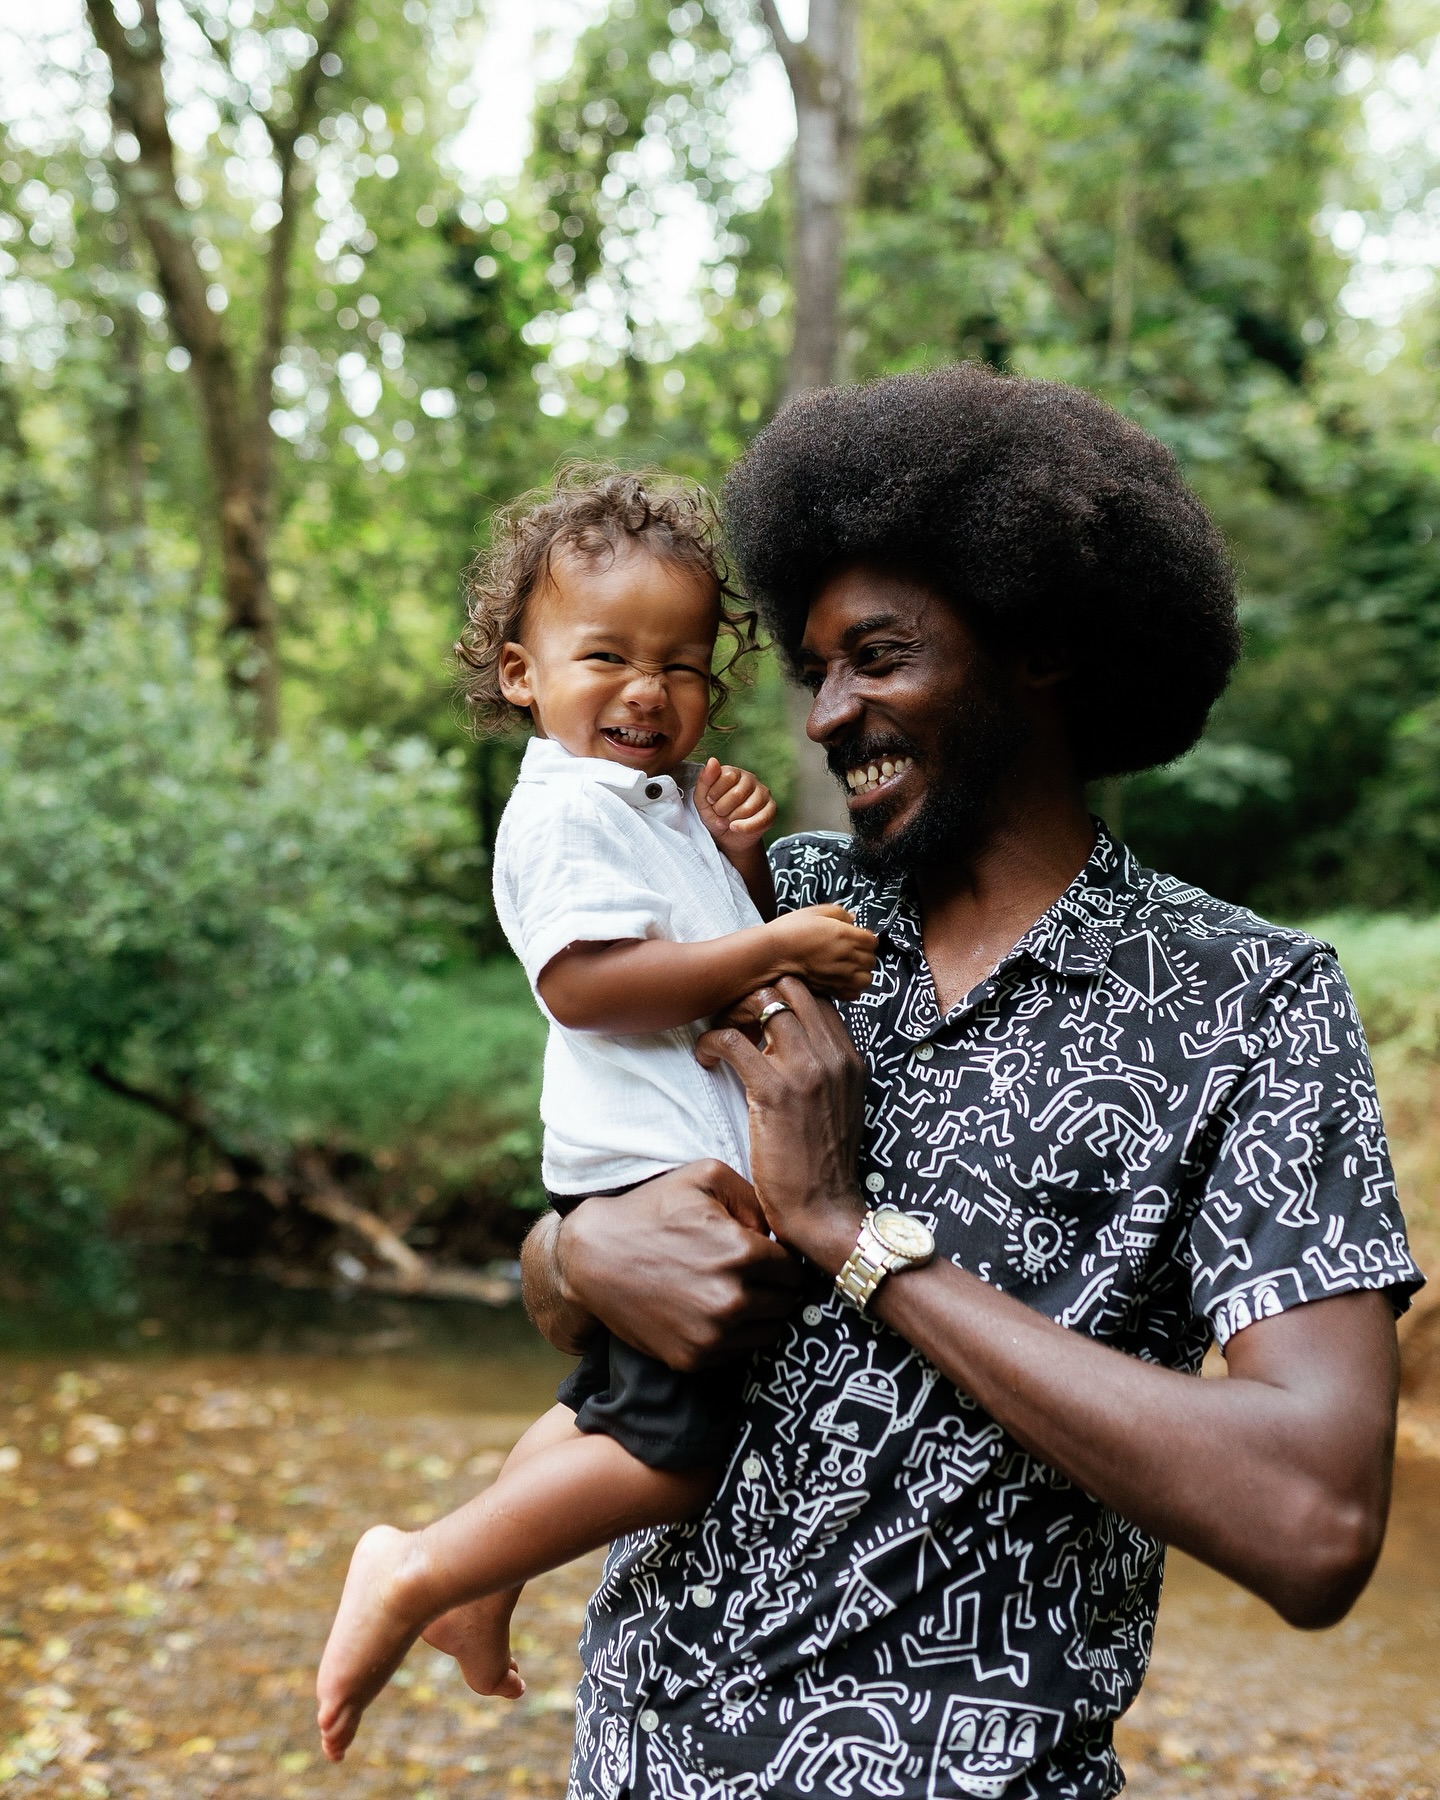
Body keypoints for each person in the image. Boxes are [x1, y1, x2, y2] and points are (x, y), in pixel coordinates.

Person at [515, 367, 1425, 1800]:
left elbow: (1314, 1517)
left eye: (878, 656)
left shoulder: (1246, 1006)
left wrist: (850, 1238)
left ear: (1042, 646)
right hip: (632, 1764)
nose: (825, 716)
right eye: (815, 670)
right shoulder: (763, 916)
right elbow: (565, 1268)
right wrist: (577, 1247)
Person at [313, 468, 877, 1762]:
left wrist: (738, 873)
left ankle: (474, 1583)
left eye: (682, 666)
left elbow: (688, 932)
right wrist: (780, 935)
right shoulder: (564, 809)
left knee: (608, 1408)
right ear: (521, 673)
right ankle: (414, 1565)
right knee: (672, 1460)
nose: (648, 691)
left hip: (664, 1176)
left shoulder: (646, 802)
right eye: (606, 656)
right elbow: (587, 984)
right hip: (647, 1177)